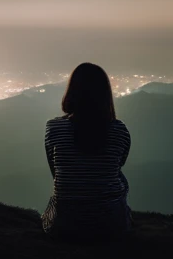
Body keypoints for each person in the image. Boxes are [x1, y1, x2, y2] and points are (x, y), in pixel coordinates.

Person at [42, 62, 132, 242]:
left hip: (64, 225)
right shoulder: (119, 131)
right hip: (112, 226)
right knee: (118, 177)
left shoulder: (54, 128)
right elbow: (118, 164)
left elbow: (55, 171)